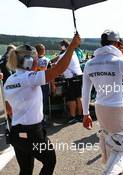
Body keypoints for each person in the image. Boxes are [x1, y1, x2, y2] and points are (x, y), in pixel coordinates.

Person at [4, 34, 81, 175]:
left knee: (25, 170)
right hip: (32, 132)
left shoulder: (10, 79)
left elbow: (8, 109)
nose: (37, 62)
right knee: (50, 161)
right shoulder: (28, 78)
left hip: (16, 131)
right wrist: (72, 47)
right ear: (28, 61)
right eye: (35, 60)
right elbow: (58, 70)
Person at [82, 30, 123, 174]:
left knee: (109, 142)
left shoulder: (89, 63)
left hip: (100, 107)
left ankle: (112, 170)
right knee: (122, 146)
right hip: (116, 108)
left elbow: (85, 90)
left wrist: (85, 113)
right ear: (118, 43)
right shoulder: (118, 60)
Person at [57, 40, 83, 123]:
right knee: (79, 97)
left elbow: (57, 66)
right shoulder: (73, 53)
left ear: (63, 46)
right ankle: (80, 115)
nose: (60, 47)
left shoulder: (63, 55)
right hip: (78, 76)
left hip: (71, 78)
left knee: (71, 98)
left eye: (60, 46)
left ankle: (72, 117)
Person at [35, 44, 51, 126]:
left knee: (37, 101)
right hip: (44, 82)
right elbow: (49, 71)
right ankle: (43, 119)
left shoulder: (32, 60)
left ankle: (39, 119)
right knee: (44, 101)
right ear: (43, 50)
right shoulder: (46, 59)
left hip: (35, 83)